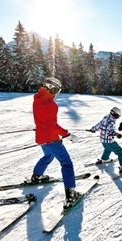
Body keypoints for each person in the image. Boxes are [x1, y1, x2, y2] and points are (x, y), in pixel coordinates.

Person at [31, 77, 80, 209]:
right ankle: (71, 195)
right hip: (51, 139)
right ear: (51, 88)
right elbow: (52, 124)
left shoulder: (37, 99)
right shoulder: (51, 104)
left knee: (48, 156)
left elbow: (42, 120)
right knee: (67, 164)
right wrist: (67, 134)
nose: (57, 94)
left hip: (41, 138)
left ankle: (36, 176)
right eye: (57, 91)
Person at [88, 107, 122, 174]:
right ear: (115, 115)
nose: (117, 118)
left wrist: (93, 129)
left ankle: (104, 159)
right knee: (120, 152)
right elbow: (109, 132)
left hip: (103, 140)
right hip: (109, 141)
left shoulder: (106, 117)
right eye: (118, 116)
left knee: (107, 149)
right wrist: (116, 134)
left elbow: (99, 124)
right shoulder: (112, 122)